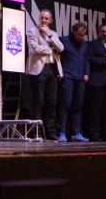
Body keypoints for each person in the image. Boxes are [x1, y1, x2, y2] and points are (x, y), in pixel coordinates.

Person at [26, 9, 64, 141]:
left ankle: (50, 132)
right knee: (37, 101)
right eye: (42, 18)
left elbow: (61, 48)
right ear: (39, 18)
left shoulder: (53, 33)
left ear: (50, 21)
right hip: (39, 69)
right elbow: (35, 48)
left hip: (52, 69)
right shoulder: (32, 31)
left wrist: (49, 36)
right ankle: (35, 132)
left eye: (46, 18)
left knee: (51, 102)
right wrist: (51, 49)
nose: (43, 20)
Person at [56, 22, 90, 142]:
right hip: (68, 77)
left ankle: (75, 133)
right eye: (79, 34)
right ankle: (62, 133)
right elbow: (56, 56)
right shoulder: (64, 40)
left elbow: (86, 59)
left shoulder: (83, 44)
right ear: (74, 31)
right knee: (65, 105)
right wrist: (59, 71)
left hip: (80, 79)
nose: (81, 37)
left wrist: (86, 73)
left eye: (83, 35)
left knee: (78, 106)